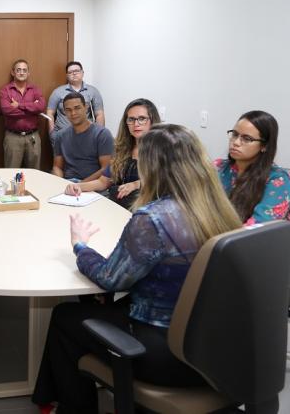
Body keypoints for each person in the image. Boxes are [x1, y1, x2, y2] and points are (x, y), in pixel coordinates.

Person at [32, 124, 242, 413]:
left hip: (168, 352)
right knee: (93, 310)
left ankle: (69, 406)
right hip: (217, 346)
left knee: (65, 317)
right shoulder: (219, 208)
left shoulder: (152, 218)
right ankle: (48, 398)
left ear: (153, 168)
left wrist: (81, 246)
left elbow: (110, 278)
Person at [64, 98, 160, 209]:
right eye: (131, 119)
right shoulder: (121, 149)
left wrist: (136, 184)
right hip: (116, 206)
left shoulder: (162, 150)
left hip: (145, 211)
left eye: (142, 119)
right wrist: (78, 186)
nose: (136, 124)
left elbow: (164, 182)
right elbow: (103, 182)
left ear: (152, 120)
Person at [215, 110, 290, 225]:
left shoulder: (277, 179)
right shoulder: (218, 167)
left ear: (264, 146)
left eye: (247, 138)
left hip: (246, 241)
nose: (236, 142)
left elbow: (259, 228)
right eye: (235, 134)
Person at [52, 92, 114, 182]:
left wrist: (80, 185)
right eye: (68, 110)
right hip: (67, 184)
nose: (73, 113)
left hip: (94, 186)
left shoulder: (102, 134)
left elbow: (106, 169)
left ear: (86, 107)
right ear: (65, 112)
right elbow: (57, 167)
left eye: (77, 108)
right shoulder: (60, 135)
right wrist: (61, 183)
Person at [0, 59, 46, 169]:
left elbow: (41, 107)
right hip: (12, 137)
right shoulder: (5, 90)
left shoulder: (35, 89)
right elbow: (7, 110)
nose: (21, 72)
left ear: (28, 73)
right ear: (13, 72)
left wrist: (19, 105)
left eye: (24, 70)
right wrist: (31, 109)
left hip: (33, 136)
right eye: (18, 70)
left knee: (35, 172)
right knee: (11, 172)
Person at [47, 61, 105, 142]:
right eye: (70, 72)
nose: (74, 74)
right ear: (67, 75)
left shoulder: (93, 91)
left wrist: (99, 134)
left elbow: (99, 114)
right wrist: (52, 133)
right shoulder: (57, 92)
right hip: (63, 137)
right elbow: (50, 113)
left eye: (77, 71)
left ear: (82, 73)